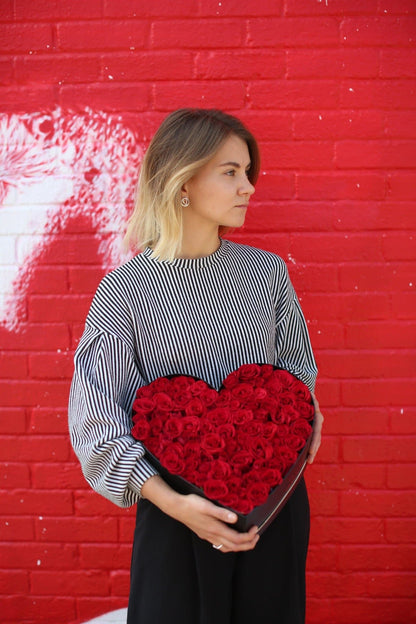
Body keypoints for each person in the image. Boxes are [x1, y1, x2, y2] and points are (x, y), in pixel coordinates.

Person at [68, 108, 323, 624]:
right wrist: (179, 506)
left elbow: (300, 376)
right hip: (175, 519)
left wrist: (308, 417)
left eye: (248, 172)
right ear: (182, 181)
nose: (247, 186)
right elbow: (96, 423)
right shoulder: (125, 290)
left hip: (271, 513)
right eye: (230, 171)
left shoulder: (266, 275)